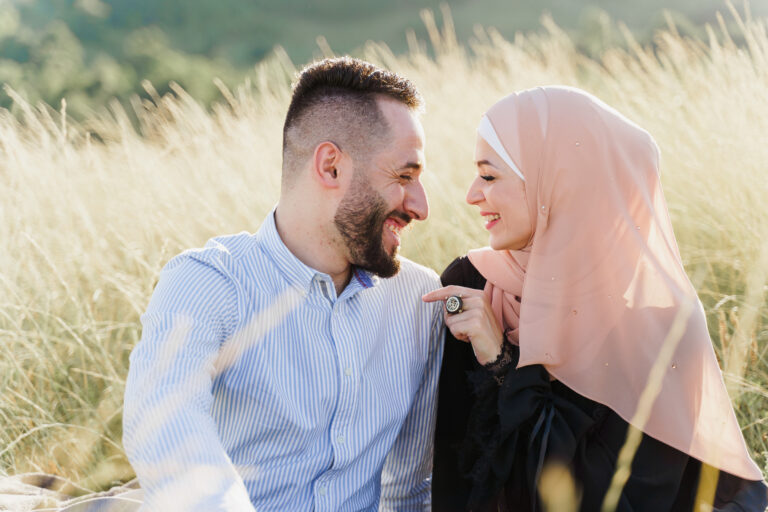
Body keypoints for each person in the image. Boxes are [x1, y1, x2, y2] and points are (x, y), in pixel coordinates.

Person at [122, 57, 445, 511]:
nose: (421, 205)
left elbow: (409, 490)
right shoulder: (208, 283)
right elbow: (166, 437)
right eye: (404, 176)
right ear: (331, 166)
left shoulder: (419, 300)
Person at [423, 86, 767, 511]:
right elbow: (453, 475)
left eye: (490, 176)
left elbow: (606, 499)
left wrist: (501, 362)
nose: (471, 194)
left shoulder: (660, 328)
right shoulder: (472, 288)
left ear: (560, 185)